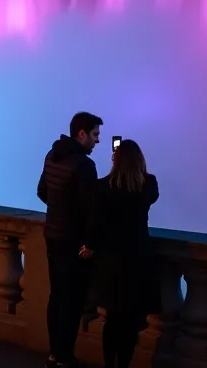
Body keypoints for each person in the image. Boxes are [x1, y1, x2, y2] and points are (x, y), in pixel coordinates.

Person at [84, 138, 160, 368]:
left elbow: (95, 223)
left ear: (114, 160)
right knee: (129, 321)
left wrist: (90, 245)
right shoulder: (148, 185)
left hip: (110, 260)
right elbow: (149, 197)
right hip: (137, 259)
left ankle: (109, 364)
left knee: (112, 320)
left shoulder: (102, 186)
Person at [37, 111, 102, 368]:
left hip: (53, 235)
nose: (97, 141)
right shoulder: (84, 165)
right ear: (82, 134)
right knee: (73, 301)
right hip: (73, 241)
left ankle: (55, 353)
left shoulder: (52, 155)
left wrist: (59, 210)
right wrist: (91, 241)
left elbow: (43, 191)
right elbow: (91, 209)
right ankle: (64, 356)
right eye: (95, 135)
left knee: (57, 297)